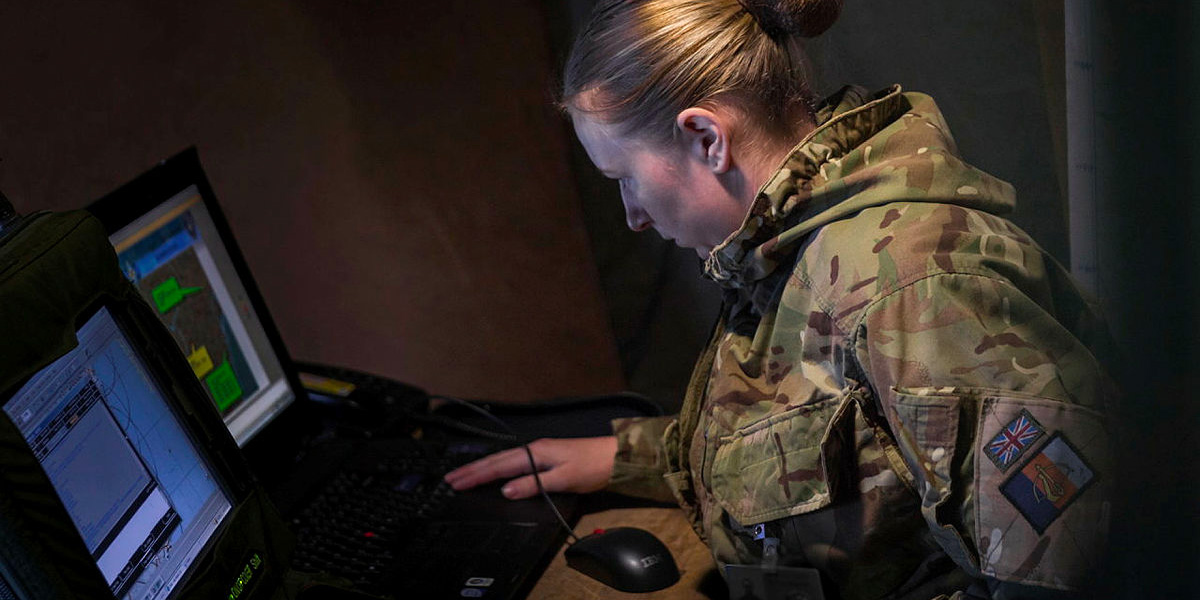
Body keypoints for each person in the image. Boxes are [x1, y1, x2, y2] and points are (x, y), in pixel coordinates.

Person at [445, 0, 1117, 598]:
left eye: (625, 178)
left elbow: (1066, 572)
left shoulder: (913, 291)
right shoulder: (789, 253)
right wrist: (633, 458)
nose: (633, 217)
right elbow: (822, 438)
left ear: (707, 139)